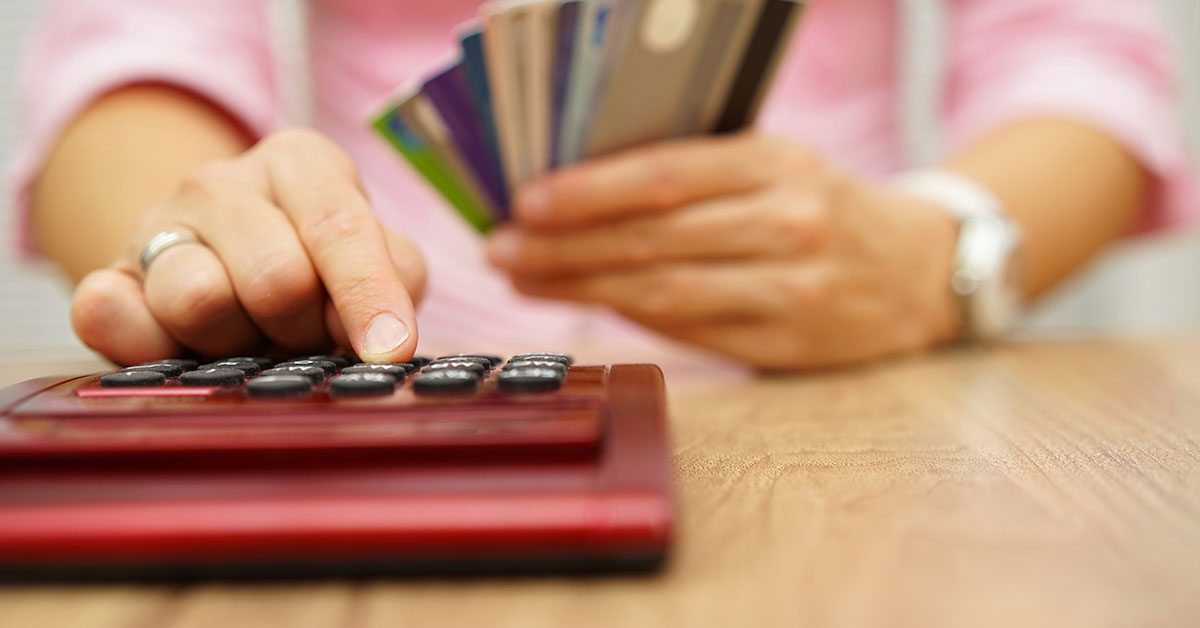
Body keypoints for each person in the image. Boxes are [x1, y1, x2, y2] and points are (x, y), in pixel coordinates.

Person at [10, 0, 1199, 369]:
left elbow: (1076, 51)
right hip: (393, 391)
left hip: (861, 388)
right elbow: (134, 42)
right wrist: (208, 238)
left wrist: (933, 257)